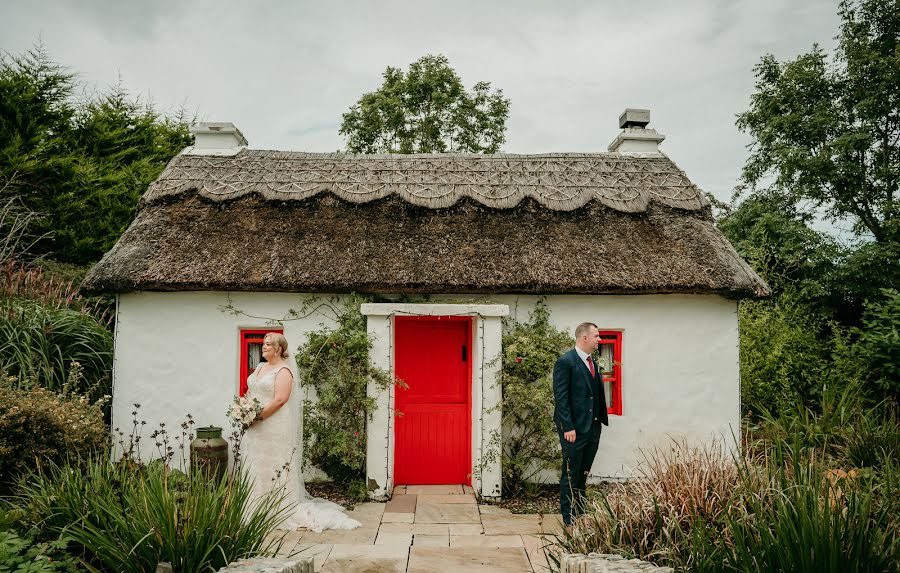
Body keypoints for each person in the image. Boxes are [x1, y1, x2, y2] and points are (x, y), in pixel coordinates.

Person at [241, 332, 361, 532]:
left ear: (279, 349)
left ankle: (276, 508)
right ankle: (254, 507)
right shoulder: (261, 367)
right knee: (255, 462)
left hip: (273, 424)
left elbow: (280, 399)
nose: (263, 347)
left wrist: (257, 416)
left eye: (268, 344)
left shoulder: (284, 371)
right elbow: (252, 392)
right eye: (263, 344)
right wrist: (245, 409)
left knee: (274, 463)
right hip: (255, 425)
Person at [552, 322, 609, 527]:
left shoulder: (592, 362)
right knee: (571, 472)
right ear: (584, 338)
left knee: (583, 472)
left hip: (593, 428)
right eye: (596, 336)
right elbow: (561, 397)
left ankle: (580, 511)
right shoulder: (565, 362)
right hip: (573, 430)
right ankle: (569, 518)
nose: (599, 340)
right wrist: (568, 427)